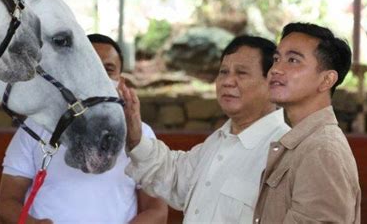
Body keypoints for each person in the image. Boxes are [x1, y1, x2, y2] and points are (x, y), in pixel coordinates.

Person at [0, 34, 168, 224]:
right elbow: (6, 203)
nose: (98, 77)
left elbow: (157, 209)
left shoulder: (139, 135)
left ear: (122, 82)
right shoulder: (36, 127)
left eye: (108, 70)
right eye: (89, 67)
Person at [119, 35, 291, 223]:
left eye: (241, 73)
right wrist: (135, 136)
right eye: (223, 72)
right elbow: (175, 177)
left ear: (272, 82)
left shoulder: (286, 152)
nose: (227, 81)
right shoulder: (217, 142)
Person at [252, 22, 361, 223]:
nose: (276, 69)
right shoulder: (302, 142)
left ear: (327, 80)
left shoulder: (322, 150)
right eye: (276, 59)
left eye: (293, 60)